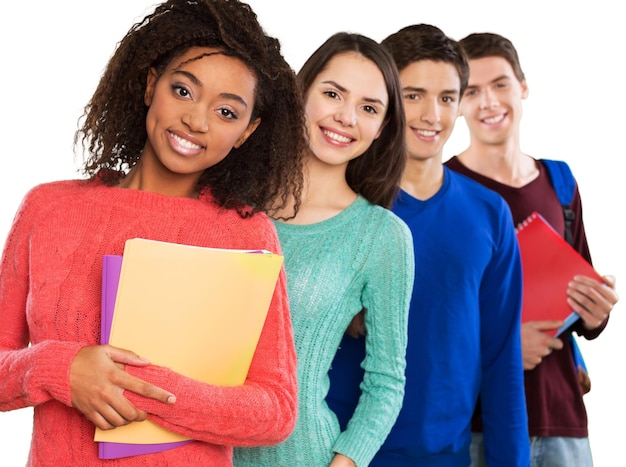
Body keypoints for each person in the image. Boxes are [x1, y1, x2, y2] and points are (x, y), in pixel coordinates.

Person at [0, 0, 309, 464]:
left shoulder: (247, 234)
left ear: (247, 132)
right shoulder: (48, 208)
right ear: (151, 85)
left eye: (227, 112)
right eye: (183, 91)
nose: (197, 121)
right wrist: (59, 368)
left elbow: (276, 409)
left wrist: (133, 389)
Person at [325, 24, 529, 466]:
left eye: (447, 98)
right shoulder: (339, 206)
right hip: (338, 453)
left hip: (447, 455)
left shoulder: (489, 213)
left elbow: (501, 361)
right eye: (413, 95)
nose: (431, 115)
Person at [233, 32, 414, 467]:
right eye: (333, 93)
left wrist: (344, 464)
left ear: (382, 128)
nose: (346, 117)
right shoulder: (230, 202)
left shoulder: (381, 236)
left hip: (302, 456)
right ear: (302, 93)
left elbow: (386, 382)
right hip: (195, 451)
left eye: (369, 108)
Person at [446, 32, 620, 467]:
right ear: (457, 102)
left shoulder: (560, 182)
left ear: (523, 87)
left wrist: (596, 313)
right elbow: (427, 319)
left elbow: (582, 305)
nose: (488, 102)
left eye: (500, 84)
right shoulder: (441, 189)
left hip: (561, 416)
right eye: (471, 91)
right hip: (476, 424)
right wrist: (501, 347)